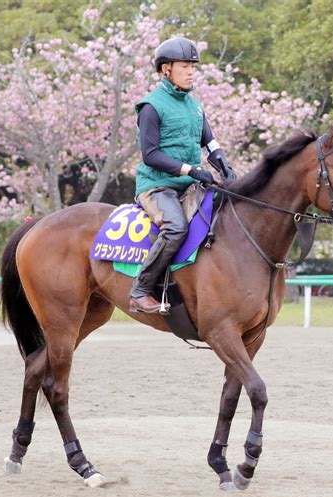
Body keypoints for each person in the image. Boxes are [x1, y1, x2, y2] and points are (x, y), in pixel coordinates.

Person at [129, 36, 236, 314]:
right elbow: (150, 155)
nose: (191, 72)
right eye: (185, 66)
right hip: (157, 186)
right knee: (176, 227)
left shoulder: (194, 106)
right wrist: (192, 170)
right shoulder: (151, 107)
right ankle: (140, 290)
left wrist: (221, 161)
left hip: (190, 185)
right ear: (166, 69)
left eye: (193, 67)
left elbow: (208, 141)